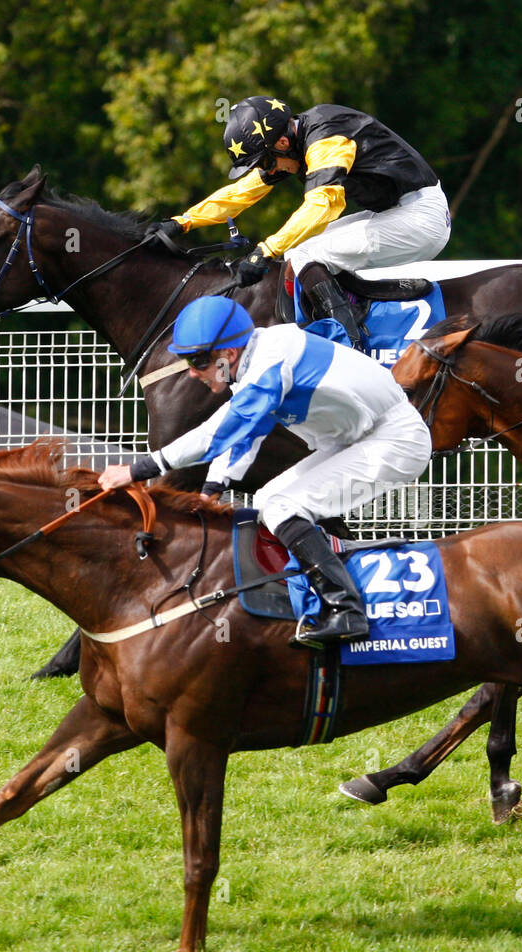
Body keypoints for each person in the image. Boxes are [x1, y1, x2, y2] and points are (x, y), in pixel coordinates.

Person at [99, 295, 432, 645]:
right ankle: (312, 592)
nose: (192, 372)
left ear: (228, 355)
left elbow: (220, 432)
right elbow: (247, 435)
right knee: (267, 500)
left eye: (198, 361)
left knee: (284, 507)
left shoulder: (272, 361)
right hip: (359, 437)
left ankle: (347, 610)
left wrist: (140, 469)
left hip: (394, 438)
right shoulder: (255, 365)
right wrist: (210, 491)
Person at [151, 96, 451, 350]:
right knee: (301, 250)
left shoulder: (327, 138)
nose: (266, 171)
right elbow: (243, 191)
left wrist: (266, 249)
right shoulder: (294, 142)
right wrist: (182, 222)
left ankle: (350, 347)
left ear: (282, 142)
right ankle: (361, 307)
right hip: (397, 212)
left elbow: (322, 206)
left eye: (265, 162)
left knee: (304, 253)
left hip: (421, 218)